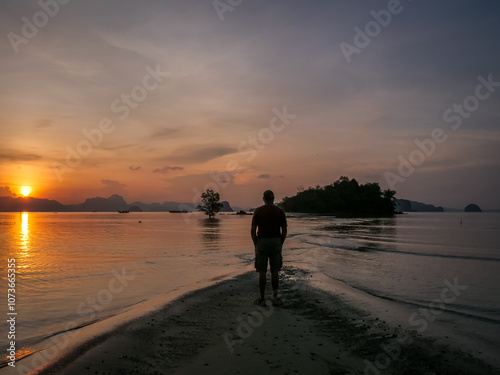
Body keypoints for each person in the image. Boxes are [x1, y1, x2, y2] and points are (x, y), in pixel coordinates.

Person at [251, 190, 287, 307]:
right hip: (276, 241)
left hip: (262, 241)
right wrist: (280, 241)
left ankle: (262, 299)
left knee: (262, 271)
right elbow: (284, 230)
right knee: (274, 271)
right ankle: (275, 298)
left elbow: (253, 229)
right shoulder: (280, 211)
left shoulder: (258, 211)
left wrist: (256, 242)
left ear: (263, 198)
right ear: (273, 198)